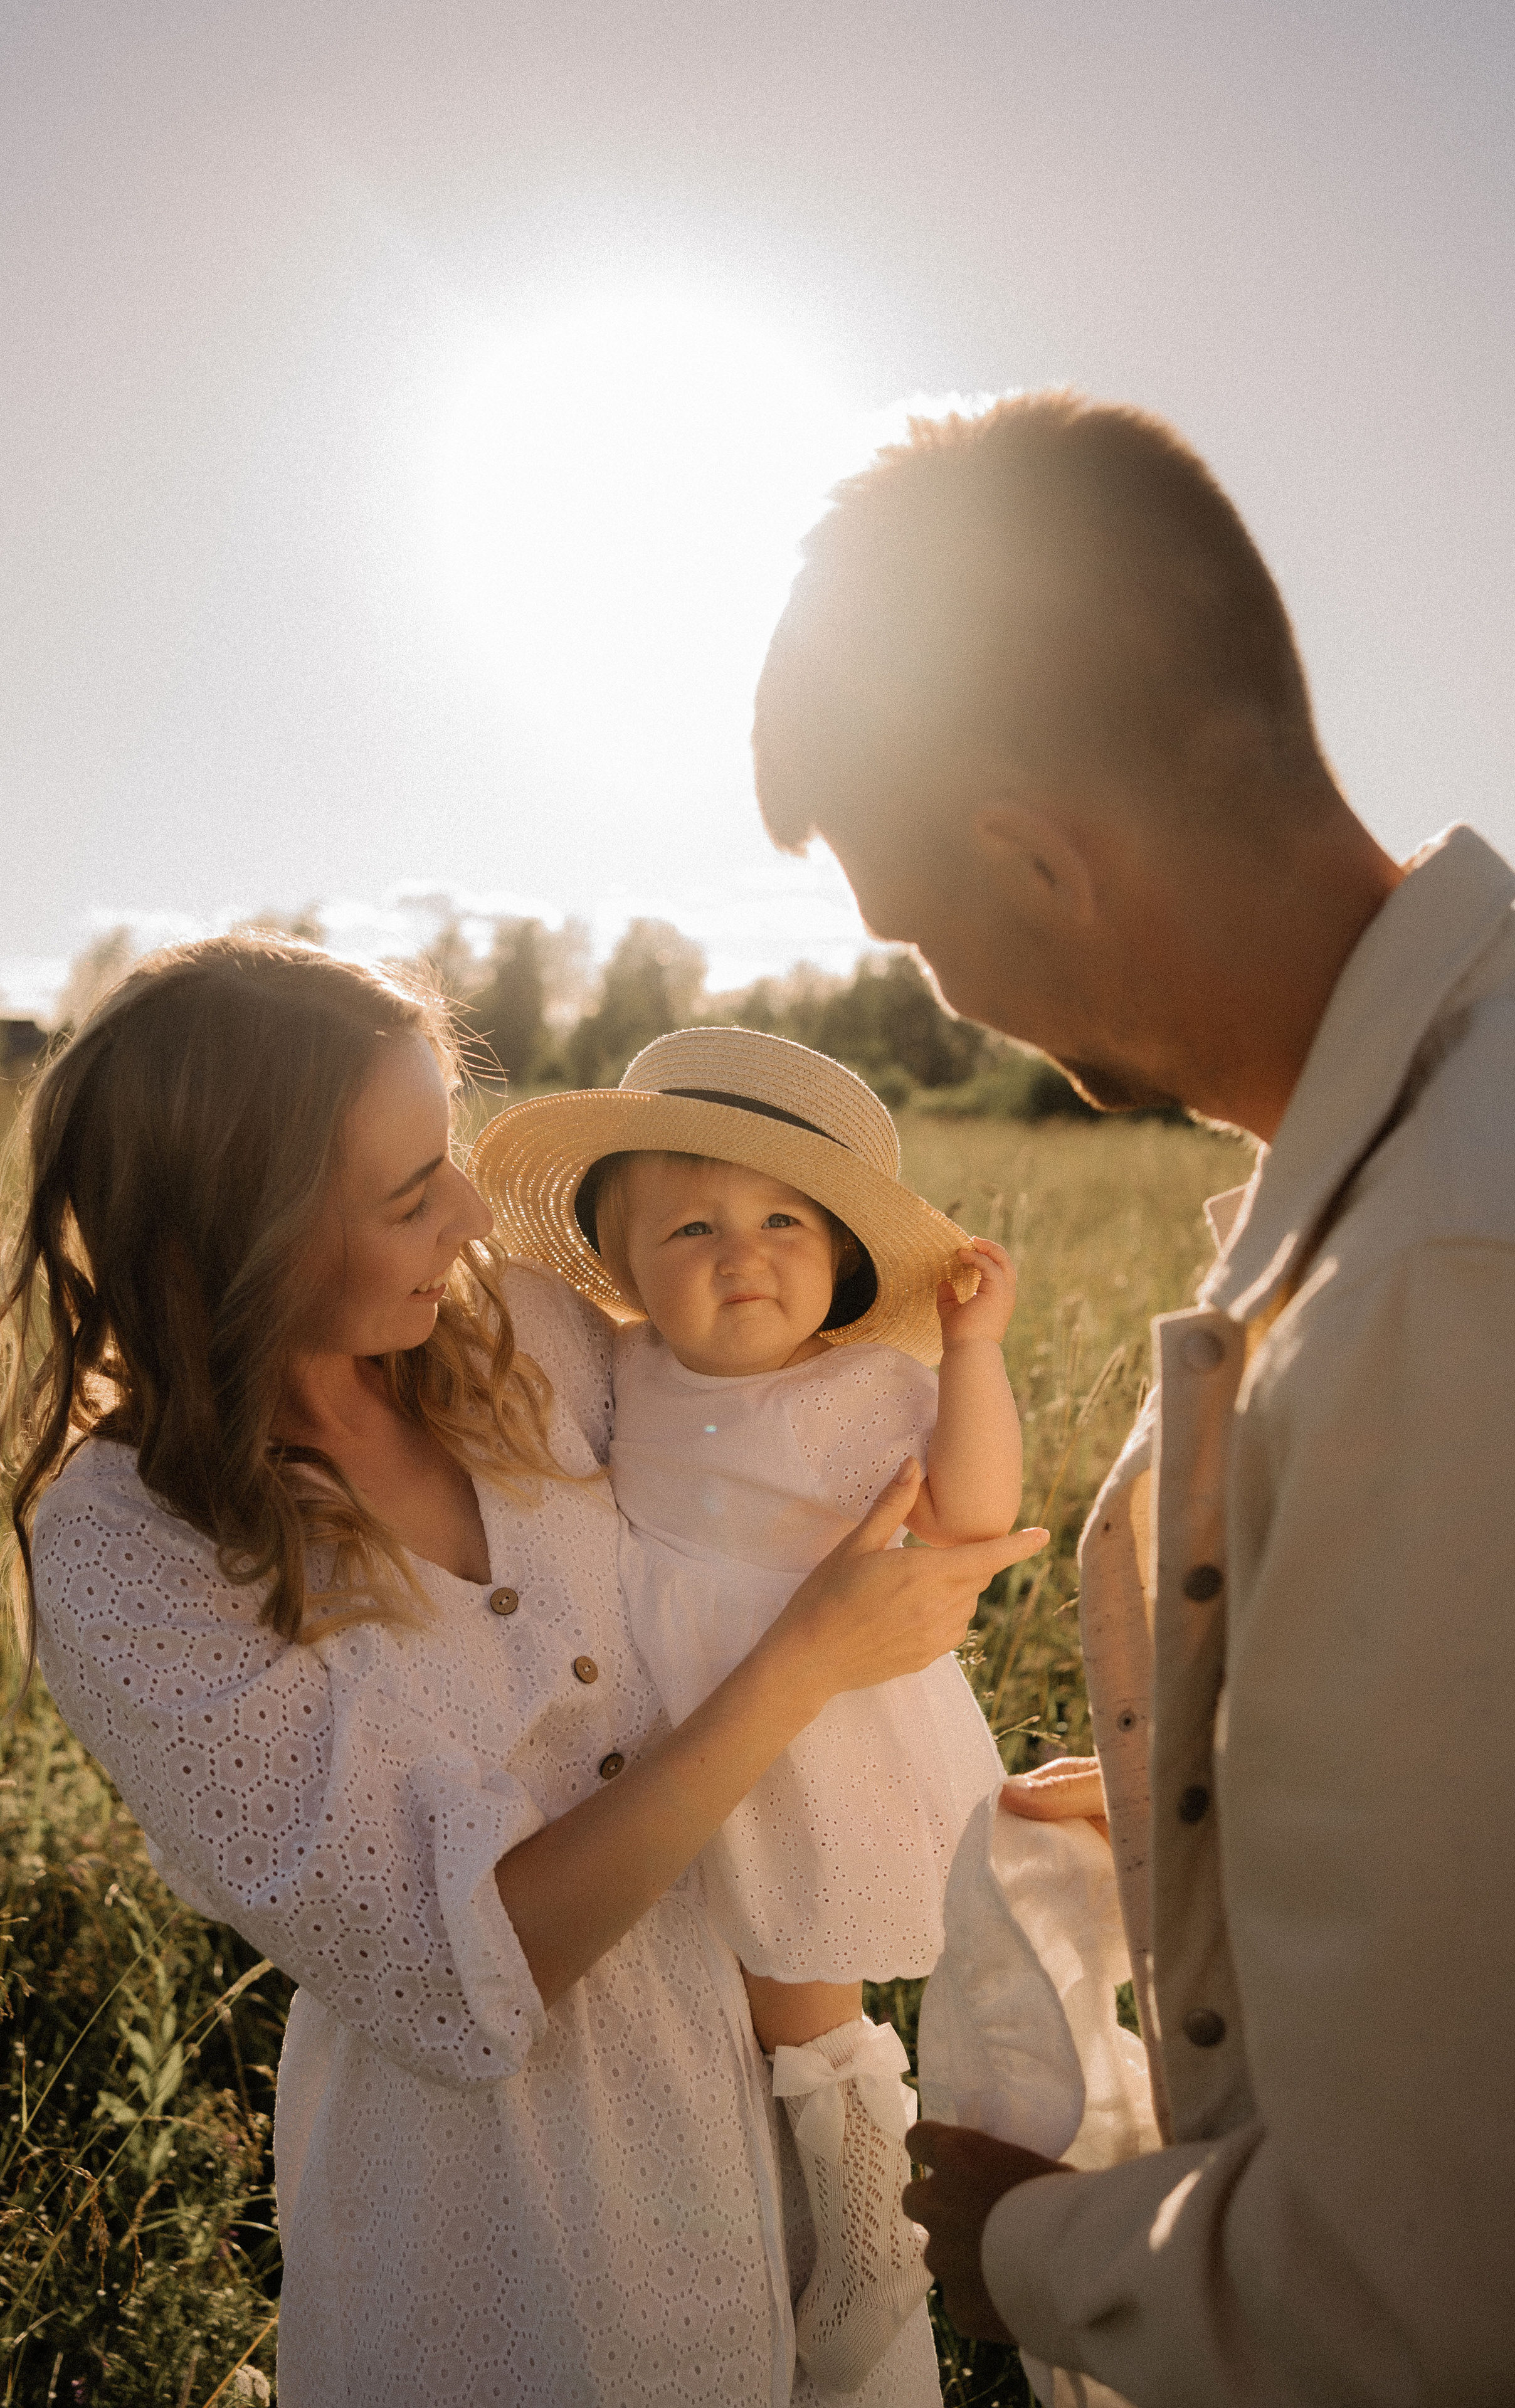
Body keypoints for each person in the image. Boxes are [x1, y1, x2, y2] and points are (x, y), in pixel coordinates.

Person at [0, 938, 1048, 2408]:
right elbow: (448, 1968)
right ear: (238, 1231)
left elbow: (763, 1493)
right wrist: (806, 1663)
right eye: (413, 1192)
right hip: (506, 2219)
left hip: (788, 2103)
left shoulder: (522, 1335)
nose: (476, 1218)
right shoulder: (131, 1548)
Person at [751, 394, 1515, 2404]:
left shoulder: (1434, 1281)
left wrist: (1024, 2250)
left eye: (922, 936)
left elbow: (1427, 2289)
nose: (949, 996)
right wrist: (1243, 1787)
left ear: (1035, 857)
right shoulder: (1440, 1158)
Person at [471, 1022, 1077, 2390]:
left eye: (782, 1221)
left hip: (817, 1720)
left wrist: (975, 1351)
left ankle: (865, 2210)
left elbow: (972, 1514)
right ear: (624, 1271)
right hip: (668, 1718)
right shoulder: (622, 1370)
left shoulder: (865, 1385)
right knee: (700, 1969)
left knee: (798, 1971)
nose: (739, 1254)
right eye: (689, 1228)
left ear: (845, 1258)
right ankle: (775, 2202)